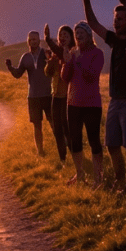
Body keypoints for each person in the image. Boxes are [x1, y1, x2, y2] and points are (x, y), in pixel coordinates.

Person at [82, 0, 126, 195]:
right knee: (112, 145)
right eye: (115, 18)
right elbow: (93, 24)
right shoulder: (114, 40)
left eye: (121, 19)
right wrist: (86, 0)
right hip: (115, 100)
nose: (116, 22)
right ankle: (120, 181)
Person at [60, 21, 105, 187]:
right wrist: (66, 62)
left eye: (81, 33)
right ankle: (79, 174)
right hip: (73, 103)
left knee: (94, 140)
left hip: (92, 104)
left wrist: (77, 61)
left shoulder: (97, 53)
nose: (78, 36)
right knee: (75, 141)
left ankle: (98, 178)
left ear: (89, 35)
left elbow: (91, 76)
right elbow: (65, 78)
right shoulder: (73, 53)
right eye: (76, 33)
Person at [6, 31, 52, 156]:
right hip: (33, 97)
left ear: (39, 40)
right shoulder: (25, 57)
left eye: (35, 39)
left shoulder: (46, 53)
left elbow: (54, 69)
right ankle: (40, 152)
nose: (32, 41)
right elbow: (18, 74)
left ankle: (63, 148)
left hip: (48, 95)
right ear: (28, 41)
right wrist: (10, 67)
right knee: (37, 126)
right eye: (30, 39)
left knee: (54, 123)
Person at [43, 24, 75, 165]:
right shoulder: (56, 55)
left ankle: (75, 155)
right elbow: (48, 73)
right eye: (60, 35)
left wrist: (48, 40)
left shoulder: (72, 52)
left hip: (68, 97)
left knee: (67, 129)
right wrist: (50, 61)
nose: (62, 38)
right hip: (56, 96)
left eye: (66, 35)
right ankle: (63, 159)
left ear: (71, 38)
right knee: (57, 129)